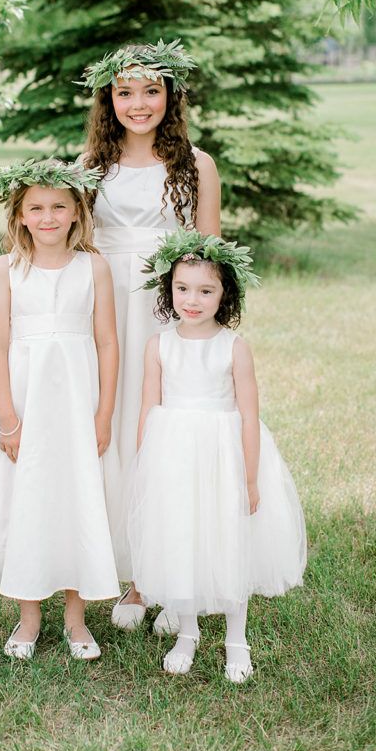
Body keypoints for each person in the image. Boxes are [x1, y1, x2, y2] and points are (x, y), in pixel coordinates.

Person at [81, 39, 221, 630]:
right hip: (104, 309)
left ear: (172, 95)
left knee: (160, 429)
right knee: (109, 426)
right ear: (108, 99)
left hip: (168, 311)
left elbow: (210, 257)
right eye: (124, 92)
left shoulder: (196, 165)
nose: (138, 104)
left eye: (151, 91)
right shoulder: (88, 163)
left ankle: (160, 577)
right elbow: (74, 243)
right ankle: (116, 570)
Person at [128, 229, 307, 681]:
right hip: (174, 456)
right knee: (183, 537)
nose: (192, 299)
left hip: (225, 455)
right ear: (169, 290)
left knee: (229, 541)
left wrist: (249, 478)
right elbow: (149, 409)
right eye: (182, 288)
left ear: (225, 294)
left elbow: (248, 415)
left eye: (206, 290)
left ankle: (236, 639)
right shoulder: (159, 345)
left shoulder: (234, 347)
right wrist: (146, 465)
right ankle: (186, 632)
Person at [0, 159, 121, 660]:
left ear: (78, 212)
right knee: (28, 500)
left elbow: (107, 344)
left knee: (78, 498)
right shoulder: (5, 270)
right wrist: (8, 419)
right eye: (36, 207)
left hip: (79, 404)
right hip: (26, 406)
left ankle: (77, 620)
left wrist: (103, 417)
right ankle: (29, 618)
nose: (48, 216)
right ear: (19, 215)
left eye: (59, 206)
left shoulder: (94, 267)